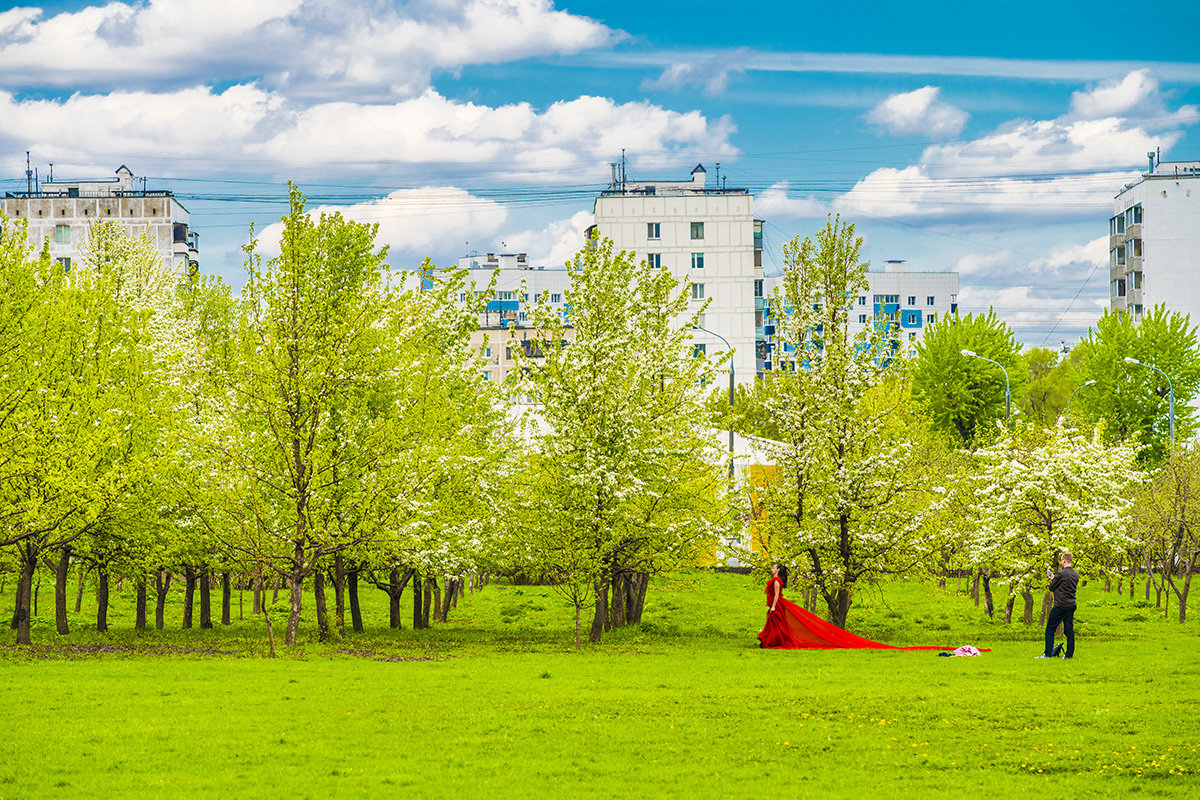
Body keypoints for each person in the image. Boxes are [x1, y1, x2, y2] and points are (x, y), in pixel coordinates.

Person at [1037, 552, 1079, 659]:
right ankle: (1069, 655)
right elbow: (1065, 585)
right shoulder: (1075, 574)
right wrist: (1055, 578)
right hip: (1071, 605)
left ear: (1064, 561)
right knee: (1069, 630)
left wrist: (1053, 579)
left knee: (1050, 629)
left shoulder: (1061, 574)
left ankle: (1047, 654)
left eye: (1061, 560)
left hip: (1060, 605)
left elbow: (1051, 587)